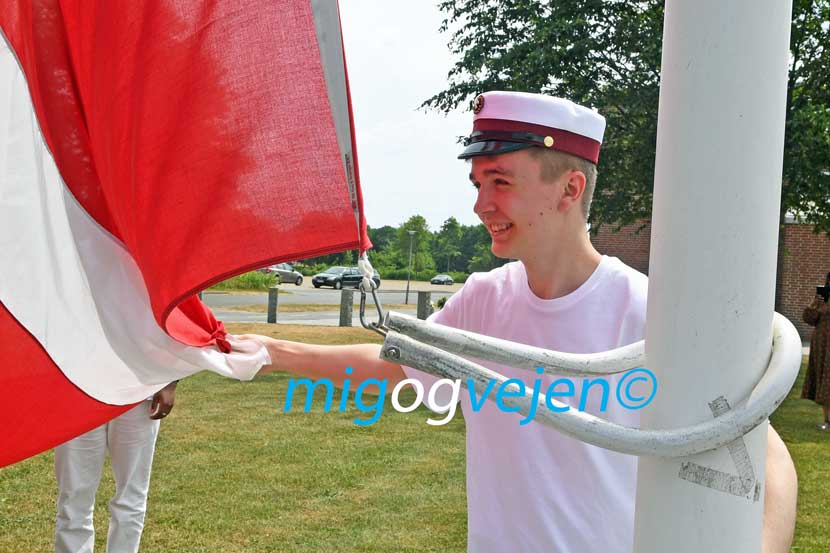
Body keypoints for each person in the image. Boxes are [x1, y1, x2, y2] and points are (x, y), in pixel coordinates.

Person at [243, 91, 797, 552]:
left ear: (569, 189)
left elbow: (762, 454)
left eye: (500, 182)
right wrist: (273, 352)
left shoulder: (649, 313)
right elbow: (402, 367)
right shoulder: (485, 299)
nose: (481, 205)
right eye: (478, 184)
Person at [54, 381, 178, 553]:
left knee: (131, 497)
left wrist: (169, 384)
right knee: (73, 497)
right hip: (77, 388)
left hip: (140, 388)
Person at [802, 272, 830, 429]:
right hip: (822, 344)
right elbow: (808, 319)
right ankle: (827, 420)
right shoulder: (821, 299)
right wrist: (813, 305)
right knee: (824, 381)